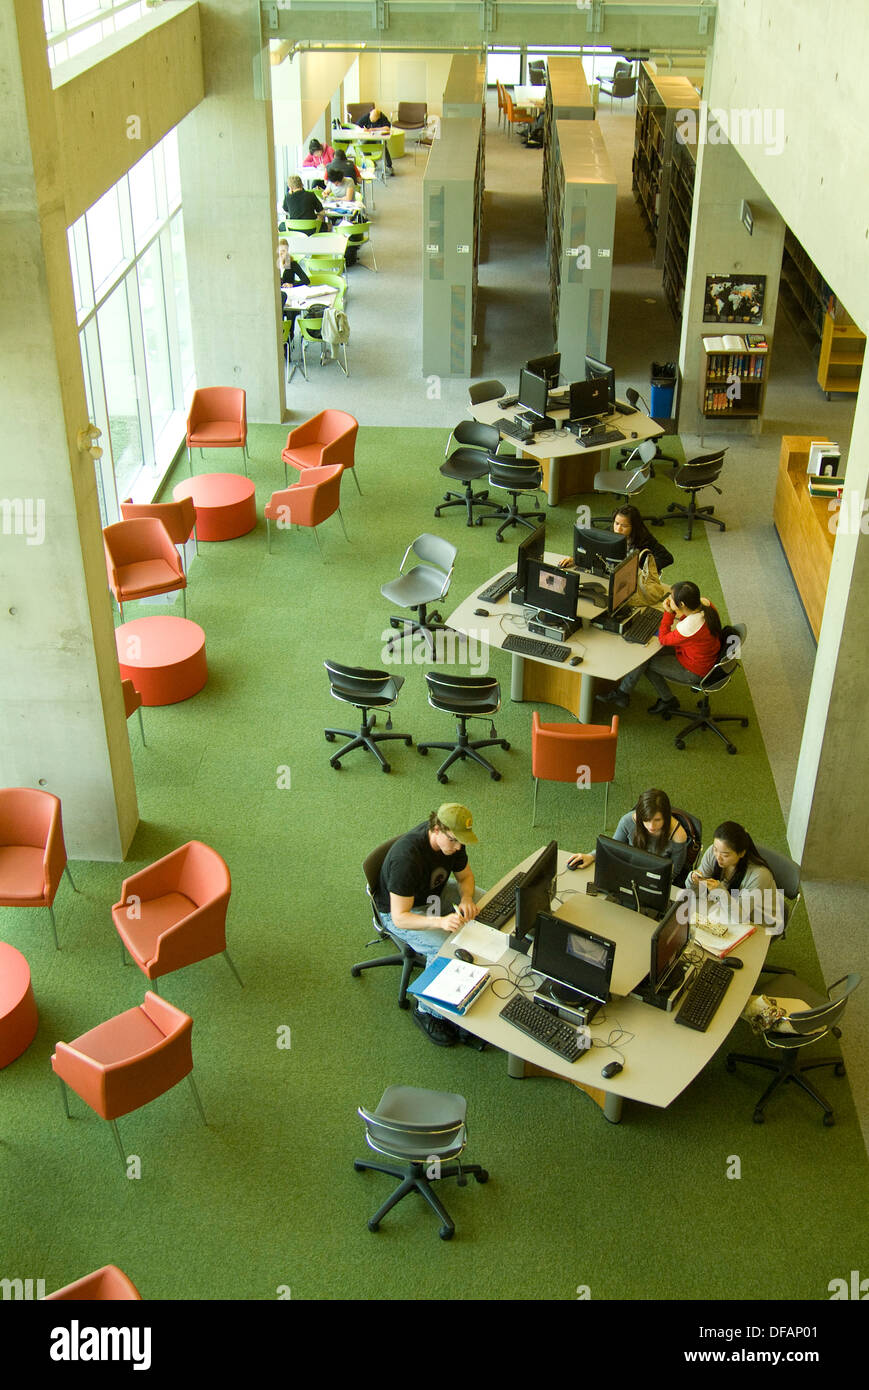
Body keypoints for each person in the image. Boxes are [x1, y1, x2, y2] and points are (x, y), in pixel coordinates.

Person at [374, 804, 479, 1046]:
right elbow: (400, 917)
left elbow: (465, 877)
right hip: (400, 913)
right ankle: (426, 1012)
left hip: (432, 896)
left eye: (461, 842)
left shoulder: (453, 844)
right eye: (453, 841)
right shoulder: (407, 859)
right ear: (436, 829)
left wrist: (466, 899)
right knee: (444, 948)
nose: (458, 848)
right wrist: (440, 922)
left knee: (485, 903)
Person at [597, 580, 721, 713]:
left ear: (682, 604)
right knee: (648, 652)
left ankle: (665, 700)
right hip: (701, 654)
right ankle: (623, 693)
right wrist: (676, 610)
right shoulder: (705, 604)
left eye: (672, 598)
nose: (669, 599)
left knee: (645, 660)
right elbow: (685, 621)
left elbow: (663, 639)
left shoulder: (691, 626)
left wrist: (668, 612)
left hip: (694, 670)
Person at [567, 788, 695, 885]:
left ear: (666, 817)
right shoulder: (628, 821)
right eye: (646, 820)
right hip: (629, 872)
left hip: (655, 880)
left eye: (657, 820)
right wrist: (592, 856)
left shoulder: (678, 835)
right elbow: (614, 846)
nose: (651, 826)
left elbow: (674, 872)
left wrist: (648, 882)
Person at [687, 822, 779, 926]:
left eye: (725, 855)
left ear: (741, 853)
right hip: (726, 909)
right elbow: (698, 893)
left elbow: (740, 917)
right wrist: (693, 880)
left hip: (757, 921)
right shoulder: (712, 854)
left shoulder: (759, 875)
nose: (718, 857)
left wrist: (720, 892)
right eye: (715, 849)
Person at [612, 503, 674, 572]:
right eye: (616, 523)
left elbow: (667, 558)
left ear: (634, 527)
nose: (618, 529)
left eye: (624, 526)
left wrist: (644, 569)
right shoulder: (608, 534)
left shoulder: (644, 539)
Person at [277, 239, 309, 336]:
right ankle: (281, 337)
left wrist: (292, 284)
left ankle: (289, 335)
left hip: (291, 298)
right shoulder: (273, 264)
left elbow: (306, 280)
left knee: (290, 312)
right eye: (280, 251)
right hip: (278, 297)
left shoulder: (291, 263)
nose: (282, 253)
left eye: (284, 251)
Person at [356, 102, 394, 174]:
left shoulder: (382, 117)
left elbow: (387, 128)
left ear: (378, 117)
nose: (372, 121)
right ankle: (371, 162)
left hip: (378, 138)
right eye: (371, 120)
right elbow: (357, 126)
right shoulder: (367, 116)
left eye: (374, 120)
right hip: (369, 138)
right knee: (362, 145)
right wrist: (363, 130)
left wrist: (373, 129)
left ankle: (389, 166)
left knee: (383, 146)